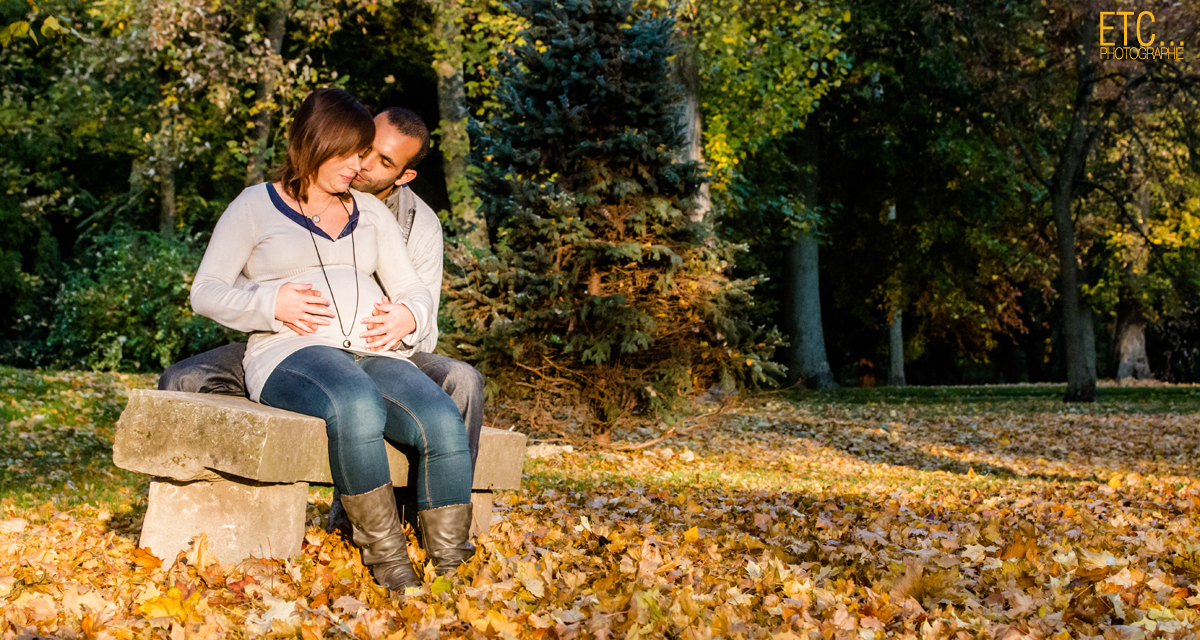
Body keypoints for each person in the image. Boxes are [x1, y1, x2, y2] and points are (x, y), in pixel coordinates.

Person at [189, 88, 473, 593]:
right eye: (349, 154)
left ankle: (452, 569)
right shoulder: (255, 206)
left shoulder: (371, 212)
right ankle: (391, 564)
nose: (358, 167)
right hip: (290, 351)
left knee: (441, 418)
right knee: (355, 402)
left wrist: (409, 314)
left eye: (363, 155)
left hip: (373, 350)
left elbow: (412, 289)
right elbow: (205, 291)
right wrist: (269, 302)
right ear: (314, 144)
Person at [160, 108, 484, 474]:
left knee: (462, 380)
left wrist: (403, 322)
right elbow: (226, 282)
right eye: (364, 148)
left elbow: (425, 322)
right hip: (290, 341)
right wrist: (273, 302)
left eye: (384, 162)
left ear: (404, 176)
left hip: (382, 352)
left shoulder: (419, 226)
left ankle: (433, 497)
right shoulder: (293, 191)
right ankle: (191, 491)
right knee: (184, 379)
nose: (362, 165)